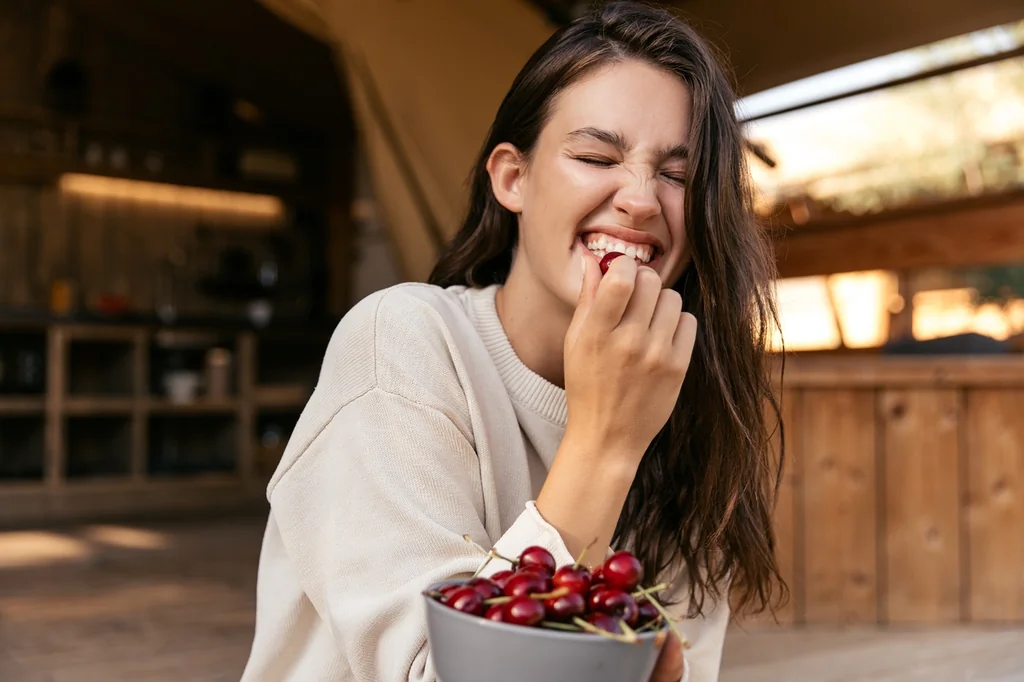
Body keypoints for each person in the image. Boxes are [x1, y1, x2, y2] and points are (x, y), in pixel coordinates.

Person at [240, 2, 786, 681]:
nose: (642, 199)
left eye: (677, 175)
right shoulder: (402, 343)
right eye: (595, 156)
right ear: (512, 178)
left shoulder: (693, 412)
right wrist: (608, 441)